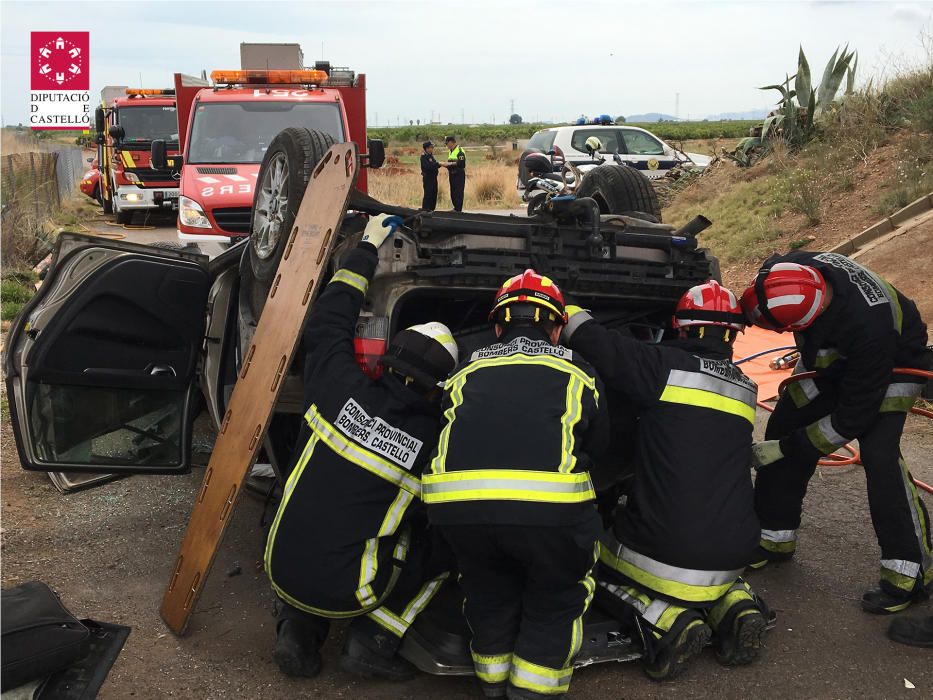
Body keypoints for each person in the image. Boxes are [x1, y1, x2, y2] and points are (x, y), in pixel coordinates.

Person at [264, 214, 459, 681]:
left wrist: (367, 247)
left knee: (330, 510)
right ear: (440, 389)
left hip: (278, 566)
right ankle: (373, 643)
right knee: (443, 547)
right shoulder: (434, 446)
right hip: (352, 592)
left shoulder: (336, 385)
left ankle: (298, 631)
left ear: (387, 362)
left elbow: (329, 320)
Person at [561, 281, 770, 680]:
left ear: (682, 328)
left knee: (582, 556)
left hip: (669, 549)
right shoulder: (746, 388)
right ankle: (738, 606)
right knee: (703, 568)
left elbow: (590, 337)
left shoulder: (660, 367)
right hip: (737, 551)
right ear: (732, 335)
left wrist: (559, 297)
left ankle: (667, 622)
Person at [422, 270, 609, 699]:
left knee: (486, 588)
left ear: (498, 326)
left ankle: (492, 686)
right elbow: (601, 444)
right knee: (556, 596)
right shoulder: (580, 369)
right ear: (557, 327)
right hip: (552, 515)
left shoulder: (467, 364)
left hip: (457, 511)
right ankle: (531, 692)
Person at [741, 252, 931, 614]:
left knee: (879, 455)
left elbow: (849, 420)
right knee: (784, 422)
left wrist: (790, 448)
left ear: (812, 317)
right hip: (827, 357)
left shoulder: (870, 328)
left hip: (892, 365)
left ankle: (909, 572)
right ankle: (774, 536)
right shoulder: (787, 270)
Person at [443, 135, 466, 212]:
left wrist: (450, 164)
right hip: (452, 174)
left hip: (458, 174)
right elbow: (451, 162)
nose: (446, 145)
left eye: (447, 143)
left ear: (451, 142)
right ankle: (455, 207)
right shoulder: (450, 151)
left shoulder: (459, 150)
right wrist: (445, 165)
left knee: (458, 191)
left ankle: (458, 209)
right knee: (453, 191)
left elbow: (462, 163)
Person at [420, 140, 440, 211]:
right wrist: (438, 164)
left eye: (432, 148)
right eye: (430, 147)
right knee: (428, 194)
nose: (432, 149)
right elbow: (428, 167)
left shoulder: (430, 156)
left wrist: (437, 165)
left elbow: (434, 164)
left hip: (434, 178)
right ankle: (425, 210)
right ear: (426, 148)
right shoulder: (424, 157)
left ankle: (432, 210)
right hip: (428, 179)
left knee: (434, 194)